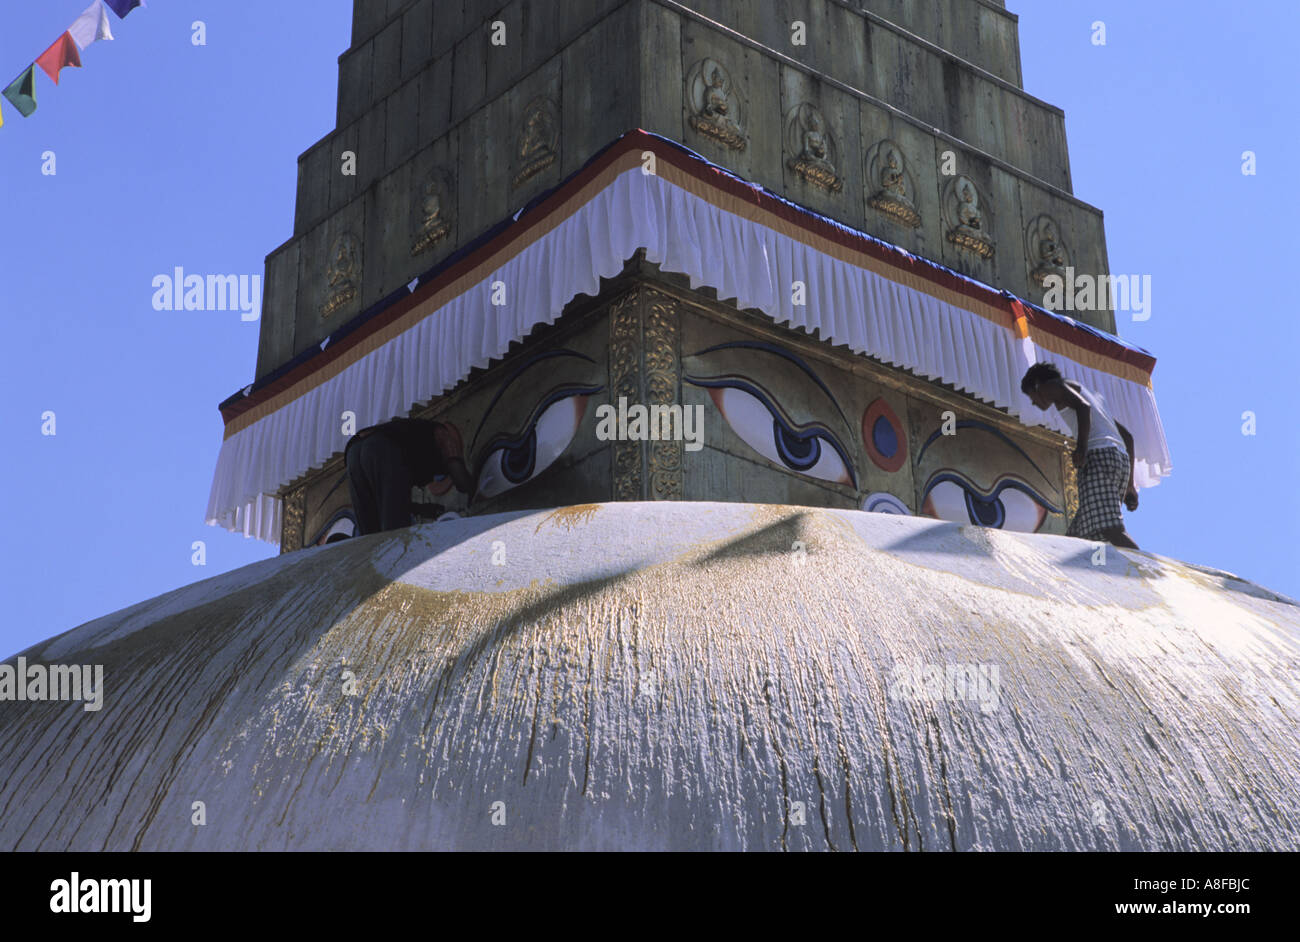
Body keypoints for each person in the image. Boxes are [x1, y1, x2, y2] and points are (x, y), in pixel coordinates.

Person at [1020, 363, 1139, 549]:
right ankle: (1098, 573)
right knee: (1084, 538)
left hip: (1098, 458)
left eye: (1031, 397)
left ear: (1037, 386)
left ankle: (1142, 569)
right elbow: (1128, 438)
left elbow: (1083, 407)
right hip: (1118, 460)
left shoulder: (1053, 386)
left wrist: (1081, 448)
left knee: (1111, 529)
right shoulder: (1095, 400)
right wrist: (1130, 485)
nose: (1034, 403)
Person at [344, 417, 475, 536]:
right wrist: (476, 490)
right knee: (395, 534)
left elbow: (389, 502)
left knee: (370, 535)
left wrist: (420, 509)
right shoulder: (445, 435)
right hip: (380, 448)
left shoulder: (415, 436)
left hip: (353, 451)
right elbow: (459, 477)